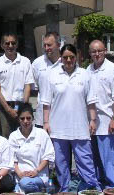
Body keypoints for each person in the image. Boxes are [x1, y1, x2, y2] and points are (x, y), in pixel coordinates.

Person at [42, 44, 101, 192]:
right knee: (61, 164)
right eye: (65, 57)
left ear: (77, 57)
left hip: (80, 127)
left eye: (72, 57)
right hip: (58, 128)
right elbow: (46, 103)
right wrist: (46, 122)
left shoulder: (85, 74)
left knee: (85, 161)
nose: (69, 60)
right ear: (61, 58)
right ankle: (64, 189)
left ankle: (91, 189)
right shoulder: (52, 75)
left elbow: (91, 101)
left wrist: (93, 120)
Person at [87, 39, 114, 189]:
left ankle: (112, 187)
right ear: (90, 53)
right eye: (94, 51)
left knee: (109, 158)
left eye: (100, 51)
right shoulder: (88, 70)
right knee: (94, 159)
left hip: (107, 122)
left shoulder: (113, 69)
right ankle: (98, 186)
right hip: (91, 123)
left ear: (105, 51)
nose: (97, 54)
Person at [0, 33, 34, 137]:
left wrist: (22, 107)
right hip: (4, 106)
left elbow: (27, 85)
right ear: (2, 45)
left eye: (13, 43)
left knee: (23, 134)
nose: (10, 46)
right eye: (7, 43)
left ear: (17, 44)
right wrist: (8, 109)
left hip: (21, 104)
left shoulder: (25, 62)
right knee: (6, 136)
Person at [9, 103, 55, 193]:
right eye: (22, 118)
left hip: (40, 176)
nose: (25, 121)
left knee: (26, 185)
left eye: (28, 118)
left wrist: (36, 171)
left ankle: (40, 190)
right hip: (21, 178)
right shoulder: (13, 136)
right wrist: (20, 174)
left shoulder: (42, 134)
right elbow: (12, 159)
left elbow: (48, 156)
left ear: (33, 119)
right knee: (24, 184)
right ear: (18, 120)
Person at [31, 32, 62, 128]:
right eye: (44, 45)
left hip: (61, 117)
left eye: (49, 45)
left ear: (58, 45)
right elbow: (34, 88)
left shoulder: (66, 63)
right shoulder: (37, 63)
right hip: (41, 118)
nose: (46, 48)